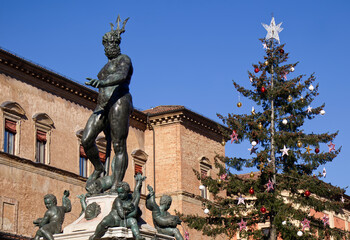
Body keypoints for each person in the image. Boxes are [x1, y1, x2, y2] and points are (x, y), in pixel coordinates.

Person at [82, 16, 133, 194]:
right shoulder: (105, 65)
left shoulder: (124, 59)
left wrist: (101, 83)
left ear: (116, 45)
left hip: (119, 102)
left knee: (118, 145)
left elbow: (121, 76)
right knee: (86, 139)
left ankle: (117, 183)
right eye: (105, 46)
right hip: (102, 107)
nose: (107, 49)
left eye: (109, 46)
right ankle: (98, 168)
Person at [89, 173, 146, 240]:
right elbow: (122, 215)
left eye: (121, 193)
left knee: (133, 221)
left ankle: (137, 236)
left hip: (123, 220)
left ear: (127, 192)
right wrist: (132, 212)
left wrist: (139, 182)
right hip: (114, 218)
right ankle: (95, 235)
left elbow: (136, 193)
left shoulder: (130, 197)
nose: (119, 195)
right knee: (104, 222)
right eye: (118, 193)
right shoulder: (118, 200)